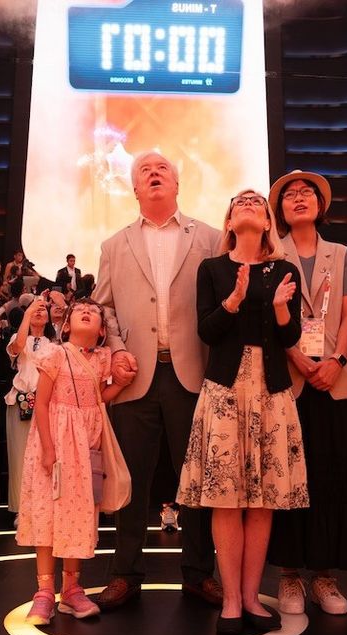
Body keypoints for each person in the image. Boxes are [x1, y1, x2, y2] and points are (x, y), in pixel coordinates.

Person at [93, 151, 220, 609]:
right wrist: (117, 350)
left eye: (162, 168)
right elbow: (103, 306)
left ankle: (199, 573)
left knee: (199, 481)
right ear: (134, 188)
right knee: (131, 481)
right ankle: (125, 573)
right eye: (144, 170)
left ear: (177, 183)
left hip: (195, 374)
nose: (153, 173)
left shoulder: (211, 236)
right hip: (134, 377)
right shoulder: (113, 244)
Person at [177, 189, 306, 635]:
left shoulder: (284, 270)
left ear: (269, 222)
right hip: (226, 390)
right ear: (229, 221)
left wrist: (279, 308)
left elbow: (291, 341)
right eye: (240, 202)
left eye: (257, 202)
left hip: (271, 391)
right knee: (226, 498)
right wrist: (233, 301)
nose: (249, 204)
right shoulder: (211, 269)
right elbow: (207, 331)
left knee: (263, 500)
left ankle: (252, 596)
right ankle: (231, 600)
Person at [264, 170, 347, 616]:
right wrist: (298, 357)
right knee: (292, 478)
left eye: (307, 193)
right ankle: (290, 575)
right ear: (280, 208)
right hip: (290, 380)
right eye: (290, 194)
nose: (299, 199)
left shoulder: (341, 253)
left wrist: (337, 362)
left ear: (320, 205)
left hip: (336, 380)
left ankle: (325, 577)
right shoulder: (273, 253)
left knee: (336, 473)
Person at [15, 298, 130, 624]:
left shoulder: (103, 359)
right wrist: (49, 449)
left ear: (102, 330)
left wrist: (118, 385)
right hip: (54, 441)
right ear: (66, 325)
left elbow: (98, 399)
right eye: (80, 310)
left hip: (85, 446)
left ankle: (72, 588)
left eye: (93, 313)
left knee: (77, 514)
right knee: (48, 514)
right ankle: (44, 592)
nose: (86, 313)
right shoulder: (54, 353)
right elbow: (41, 403)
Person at [5, 296, 54, 517]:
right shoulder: (18, 336)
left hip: (47, 405)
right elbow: (16, 347)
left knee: (43, 456)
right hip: (20, 401)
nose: (38, 311)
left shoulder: (54, 343)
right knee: (19, 457)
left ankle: (41, 507)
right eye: (35, 308)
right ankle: (21, 510)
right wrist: (27, 314)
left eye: (43, 308)